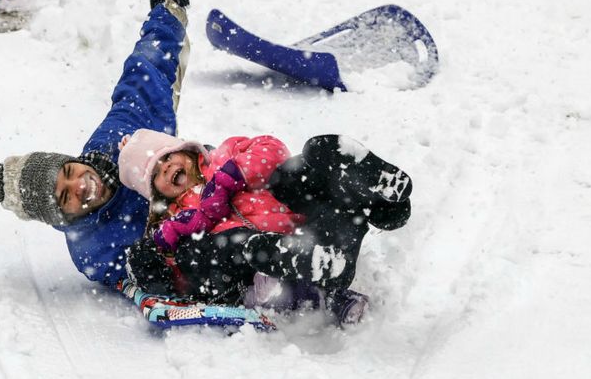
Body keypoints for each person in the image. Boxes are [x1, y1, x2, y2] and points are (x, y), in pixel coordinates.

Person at [0, 0, 190, 287]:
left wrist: (166, 14)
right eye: (66, 197)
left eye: (68, 172)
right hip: (194, 232)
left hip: (185, 173)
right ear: (65, 217)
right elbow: (136, 276)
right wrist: (150, 271)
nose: (79, 185)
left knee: (157, 85)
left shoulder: (118, 140)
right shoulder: (95, 251)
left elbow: (144, 75)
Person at [117, 128, 413, 325]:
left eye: (167, 156)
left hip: (309, 231)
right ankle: (322, 265)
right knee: (209, 248)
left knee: (304, 160)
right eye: (156, 172)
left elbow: (272, 150)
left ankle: (375, 199)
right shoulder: (178, 221)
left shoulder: (226, 155)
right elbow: (185, 281)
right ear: (155, 193)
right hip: (267, 265)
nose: (167, 166)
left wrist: (231, 176)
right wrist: (170, 244)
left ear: (188, 151)